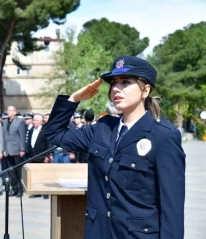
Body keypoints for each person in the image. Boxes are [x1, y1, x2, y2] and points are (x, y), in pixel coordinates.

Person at [45, 56, 186, 239]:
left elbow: (171, 208)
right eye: (113, 83)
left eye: (126, 82)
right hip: (98, 232)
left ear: (146, 90)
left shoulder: (163, 136)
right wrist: (74, 99)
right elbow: (55, 134)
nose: (116, 89)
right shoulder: (102, 128)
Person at [3, 105, 26, 197]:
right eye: (8, 110)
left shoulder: (19, 122)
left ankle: (20, 189)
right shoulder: (5, 122)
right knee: (11, 171)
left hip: (17, 149)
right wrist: (4, 149)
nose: (8, 112)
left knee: (18, 170)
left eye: (10, 110)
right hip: (8, 150)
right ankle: (14, 188)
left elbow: (22, 136)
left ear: (15, 112)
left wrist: (22, 149)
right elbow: (5, 137)